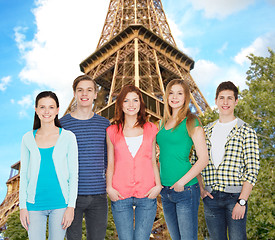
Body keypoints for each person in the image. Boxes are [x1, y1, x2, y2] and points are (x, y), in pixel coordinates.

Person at [192, 81, 260, 240]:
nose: (225, 102)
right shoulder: (205, 131)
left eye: (230, 98)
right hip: (211, 199)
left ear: (236, 101)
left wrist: (242, 201)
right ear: (215, 100)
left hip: (235, 199)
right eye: (222, 98)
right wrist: (201, 189)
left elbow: (252, 169)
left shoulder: (246, 131)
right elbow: (196, 162)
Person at [19, 91, 78, 240]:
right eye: (42, 107)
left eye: (51, 107)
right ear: (36, 110)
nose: (47, 111)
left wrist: (71, 207)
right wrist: (22, 207)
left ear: (58, 110)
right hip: (33, 205)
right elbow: (24, 175)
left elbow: (73, 174)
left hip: (60, 204)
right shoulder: (27, 138)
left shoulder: (68, 137)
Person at [106, 85, 162, 240]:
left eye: (135, 100)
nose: (131, 105)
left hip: (147, 192)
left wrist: (158, 185)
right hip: (120, 193)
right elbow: (111, 163)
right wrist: (109, 187)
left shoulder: (152, 128)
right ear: (121, 105)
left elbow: (152, 160)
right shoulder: (111, 131)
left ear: (140, 103)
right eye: (126, 101)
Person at [156, 79, 209, 240]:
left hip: (185, 189)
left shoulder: (191, 121)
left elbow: (203, 159)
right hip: (165, 191)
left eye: (180, 93)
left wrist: (181, 183)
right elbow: (159, 158)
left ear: (186, 97)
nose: (175, 97)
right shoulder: (161, 123)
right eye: (171, 93)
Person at [60, 75, 110, 240]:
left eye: (89, 90)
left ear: (96, 94)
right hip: (70, 198)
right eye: (80, 90)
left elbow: (109, 160)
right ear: (74, 94)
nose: (84, 94)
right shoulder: (61, 125)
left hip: (98, 196)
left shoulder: (105, 124)